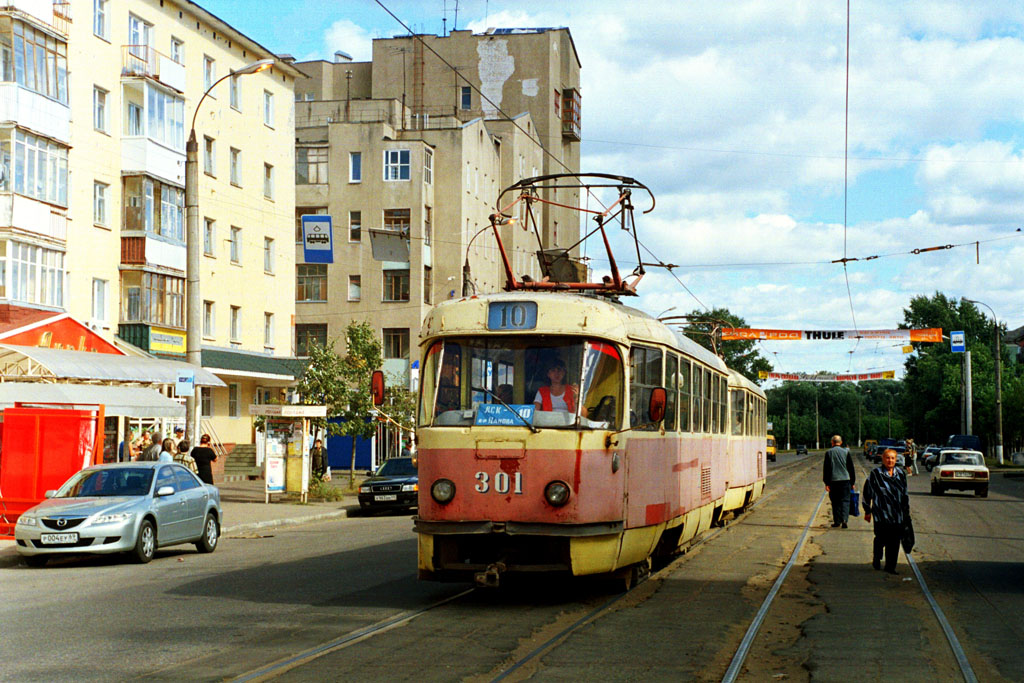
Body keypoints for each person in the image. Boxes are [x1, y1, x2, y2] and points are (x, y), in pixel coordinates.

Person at [863, 448, 911, 574]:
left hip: (897, 515)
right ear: (883, 459)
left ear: (896, 460)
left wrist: (906, 512)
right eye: (887, 458)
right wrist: (867, 510)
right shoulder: (875, 474)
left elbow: (904, 494)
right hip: (881, 514)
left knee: (894, 542)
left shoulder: (901, 474)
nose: (890, 460)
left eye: (893, 458)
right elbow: (867, 493)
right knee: (880, 539)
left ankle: (890, 567)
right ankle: (877, 557)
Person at [823, 434, 855, 528]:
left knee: (835, 501)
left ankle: (837, 521)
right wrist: (852, 482)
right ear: (840, 443)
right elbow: (850, 467)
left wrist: (827, 483)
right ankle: (844, 520)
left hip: (834, 481)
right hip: (845, 480)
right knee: (845, 501)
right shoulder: (846, 452)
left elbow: (827, 469)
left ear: (832, 442)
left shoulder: (828, 453)